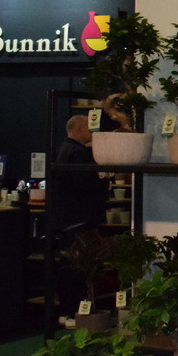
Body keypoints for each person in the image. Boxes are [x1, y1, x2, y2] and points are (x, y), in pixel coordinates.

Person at [51, 115, 109, 315]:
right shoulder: (78, 153)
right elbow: (85, 185)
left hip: (67, 218)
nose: (92, 132)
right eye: (89, 128)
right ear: (79, 130)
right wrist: (104, 178)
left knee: (69, 264)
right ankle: (78, 310)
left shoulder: (63, 149)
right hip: (81, 218)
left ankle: (68, 310)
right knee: (82, 266)